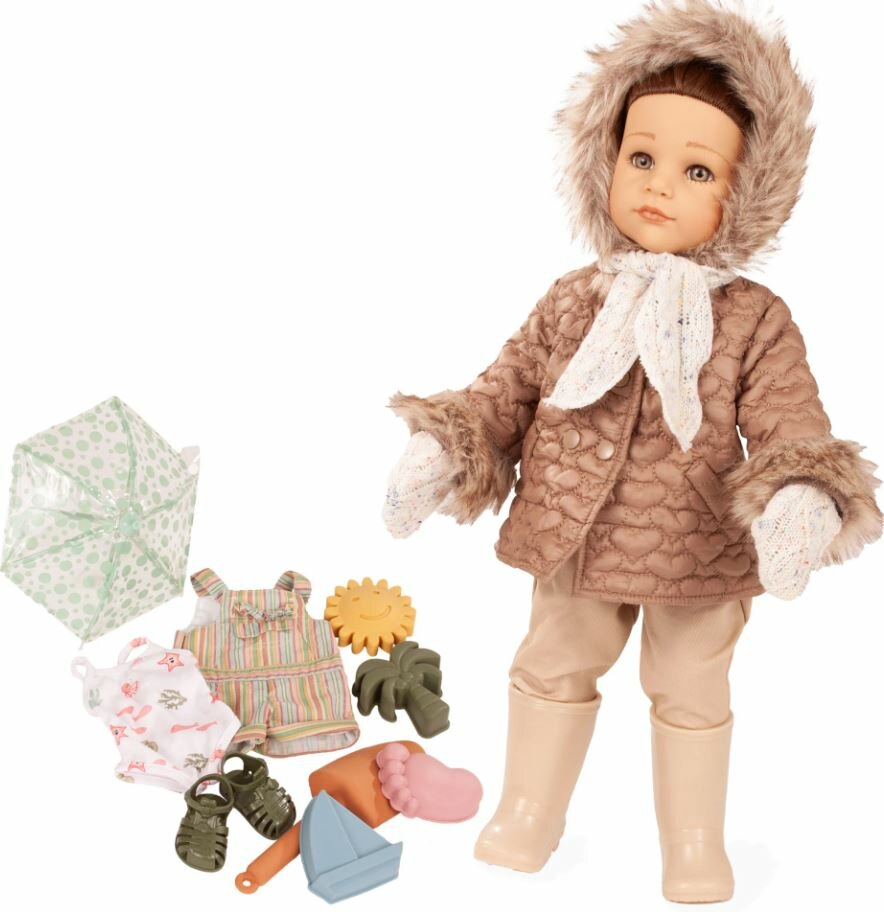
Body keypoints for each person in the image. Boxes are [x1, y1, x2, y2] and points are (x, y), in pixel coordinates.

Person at [382, 0, 882, 902]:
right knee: (551, 663)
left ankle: (692, 839)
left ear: (747, 191)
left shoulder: (754, 319)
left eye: (699, 170)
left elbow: (788, 419)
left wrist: (800, 494)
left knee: (691, 684)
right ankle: (529, 810)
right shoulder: (573, 299)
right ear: (604, 158)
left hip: (697, 546)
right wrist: (451, 443)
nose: (659, 186)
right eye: (641, 157)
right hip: (572, 535)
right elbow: (509, 387)